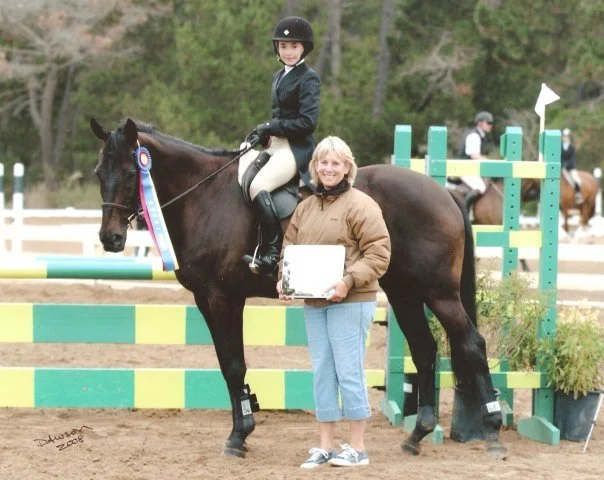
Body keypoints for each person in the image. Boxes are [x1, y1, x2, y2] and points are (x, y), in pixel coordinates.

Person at [276, 136, 391, 469]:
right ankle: (325, 445)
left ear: (347, 168)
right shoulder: (306, 207)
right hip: (314, 303)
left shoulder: (362, 205)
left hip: (351, 300)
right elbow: (289, 249)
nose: (328, 168)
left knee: (348, 371)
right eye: (323, 162)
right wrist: (285, 280)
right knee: (323, 372)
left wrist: (348, 281)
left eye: (335, 163)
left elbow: (379, 253)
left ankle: (357, 447)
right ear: (315, 166)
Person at [241, 16, 321, 275]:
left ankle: (271, 251)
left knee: (259, 185)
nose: (288, 52)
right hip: (276, 145)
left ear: (303, 48)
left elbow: (307, 122)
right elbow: (280, 117)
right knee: (242, 174)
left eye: (294, 46)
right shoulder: (279, 75)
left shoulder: (308, 78)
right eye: (284, 46)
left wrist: (272, 127)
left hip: (295, 149)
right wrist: (263, 133)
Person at [457, 111, 494, 209]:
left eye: (491, 123)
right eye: (488, 123)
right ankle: (465, 211)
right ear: (480, 123)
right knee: (480, 187)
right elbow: (474, 155)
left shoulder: (480, 136)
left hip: (470, 168)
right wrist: (487, 161)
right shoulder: (474, 136)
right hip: (465, 169)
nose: (491, 125)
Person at [561, 128, 583, 204]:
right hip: (560, 168)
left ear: (569, 138)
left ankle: (578, 194)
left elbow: (572, 158)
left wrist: (566, 165)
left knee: (576, 180)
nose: (565, 138)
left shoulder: (572, 147)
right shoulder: (559, 146)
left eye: (566, 137)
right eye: (564, 136)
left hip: (570, 168)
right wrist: (561, 165)